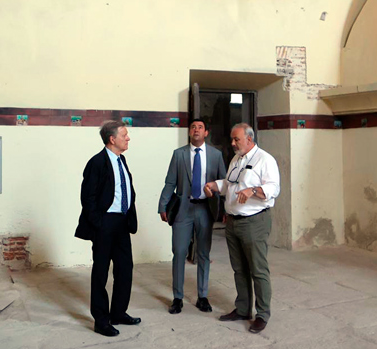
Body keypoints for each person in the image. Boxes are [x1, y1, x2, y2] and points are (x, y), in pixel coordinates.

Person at [204, 123, 280, 334]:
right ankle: (243, 308)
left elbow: (274, 188)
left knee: (258, 270)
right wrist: (215, 186)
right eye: (232, 139)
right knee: (239, 269)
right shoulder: (236, 159)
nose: (233, 143)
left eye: (236, 139)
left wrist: (253, 190)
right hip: (233, 222)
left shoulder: (265, 159)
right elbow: (231, 184)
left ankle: (262, 314)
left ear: (249, 139)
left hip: (254, 222)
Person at [74, 120, 141, 336]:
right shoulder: (97, 162)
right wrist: (99, 223)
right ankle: (101, 320)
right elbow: (88, 197)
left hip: (121, 223)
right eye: (124, 135)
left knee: (125, 270)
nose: (128, 138)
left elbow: (125, 190)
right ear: (112, 139)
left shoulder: (122, 161)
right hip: (104, 224)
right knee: (101, 273)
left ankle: (118, 312)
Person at [157, 118, 226, 314]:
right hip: (183, 210)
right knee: (179, 252)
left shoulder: (216, 155)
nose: (196, 130)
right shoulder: (179, 154)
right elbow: (170, 182)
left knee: (203, 254)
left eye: (200, 127)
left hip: (206, 209)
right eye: (193, 127)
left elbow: (223, 184)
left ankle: (202, 296)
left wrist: (226, 210)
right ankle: (177, 298)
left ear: (206, 133)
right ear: (189, 132)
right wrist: (162, 204)